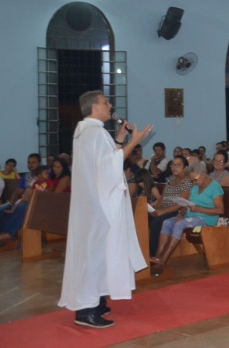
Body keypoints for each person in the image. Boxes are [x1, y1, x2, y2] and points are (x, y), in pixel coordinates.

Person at [58, 90, 152, 329]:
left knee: (98, 255)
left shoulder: (86, 131)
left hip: (93, 203)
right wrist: (134, 141)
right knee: (95, 256)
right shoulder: (95, 133)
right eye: (105, 102)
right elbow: (111, 165)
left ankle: (96, 301)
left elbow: (106, 159)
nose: (110, 105)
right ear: (93, 108)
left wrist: (120, 138)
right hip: (99, 205)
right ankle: (86, 311)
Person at [150, 162, 224, 272]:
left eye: (194, 180)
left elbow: (220, 210)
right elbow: (186, 204)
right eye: (192, 180)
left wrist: (198, 209)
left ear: (202, 174)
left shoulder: (214, 188)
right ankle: (158, 255)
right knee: (167, 222)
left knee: (180, 224)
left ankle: (163, 259)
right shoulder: (194, 187)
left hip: (206, 218)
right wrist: (180, 213)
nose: (193, 182)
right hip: (190, 215)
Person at [148, 155, 193, 257]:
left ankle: (153, 255)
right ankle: (142, 251)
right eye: (173, 165)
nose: (174, 167)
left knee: (157, 222)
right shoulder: (171, 179)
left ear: (185, 168)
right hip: (164, 210)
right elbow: (163, 198)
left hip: (177, 212)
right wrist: (154, 209)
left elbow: (182, 203)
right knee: (145, 217)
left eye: (178, 165)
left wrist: (162, 212)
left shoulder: (187, 181)